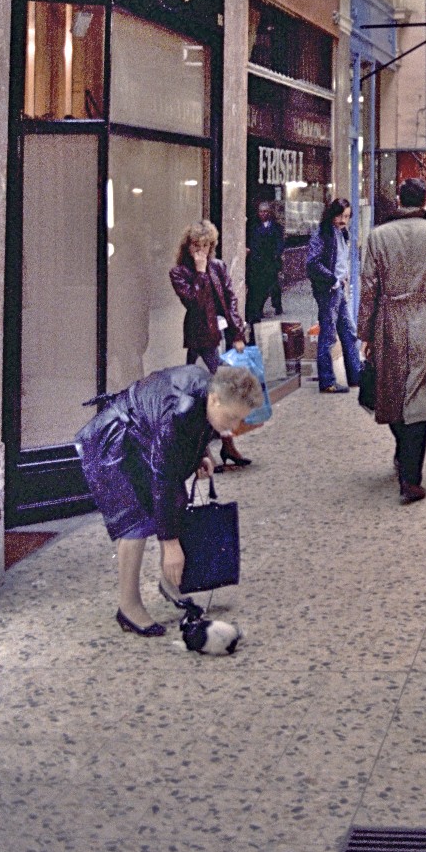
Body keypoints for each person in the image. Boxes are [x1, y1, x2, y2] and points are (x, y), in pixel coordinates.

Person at [76, 363, 263, 636]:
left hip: (144, 435)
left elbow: (192, 434)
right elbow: (163, 476)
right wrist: (171, 543)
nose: (233, 428)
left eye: (240, 420)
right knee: (135, 521)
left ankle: (170, 583)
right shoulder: (180, 410)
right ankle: (128, 606)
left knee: (170, 503)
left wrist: (201, 454)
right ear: (214, 398)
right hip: (115, 439)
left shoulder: (208, 393)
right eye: (232, 417)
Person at [357, 178, 426, 504]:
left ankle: (406, 460)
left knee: (393, 391)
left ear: (399, 199)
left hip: (390, 322)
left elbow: (369, 288)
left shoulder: (378, 236)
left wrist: (366, 331)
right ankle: (410, 473)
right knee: (421, 394)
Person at [169, 220, 250, 467]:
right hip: (200, 339)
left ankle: (224, 446)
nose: (201, 251)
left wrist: (238, 334)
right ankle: (210, 449)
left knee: (216, 395)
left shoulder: (218, 267)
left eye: (206, 245)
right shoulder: (179, 273)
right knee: (206, 395)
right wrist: (201, 272)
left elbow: (230, 300)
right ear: (188, 247)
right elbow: (193, 302)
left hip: (221, 335)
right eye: (196, 246)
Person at [306, 198, 361, 393]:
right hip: (328, 291)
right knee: (328, 336)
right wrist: (333, 280)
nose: (343, 220)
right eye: (340, 215)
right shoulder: (322, 234)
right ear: (332, 214)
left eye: (346, 216)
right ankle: (327, 381)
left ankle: (355, 375)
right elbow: (312, 264)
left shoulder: (341, 233)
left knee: (348, 332)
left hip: (338, 289)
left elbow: (339, 260)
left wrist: (341, 279)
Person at [245, 200, 284, 323]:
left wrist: (276, 255)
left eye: (266, 211)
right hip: (257, 262)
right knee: (258, 287)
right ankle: (257, 310)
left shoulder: (276, 227)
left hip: (270, 262)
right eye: (261, 212)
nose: (263, 214)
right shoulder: (254, 227)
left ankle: (276, 305)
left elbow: (279, 243)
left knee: (271, 286)